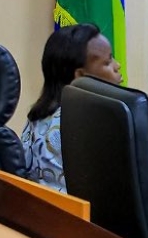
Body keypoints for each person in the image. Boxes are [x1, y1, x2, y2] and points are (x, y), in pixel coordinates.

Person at [22, 24, 122, 192]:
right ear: (81, 76)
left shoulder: (39, 115)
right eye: (108, 61)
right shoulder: (83, 127)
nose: (117, 65)